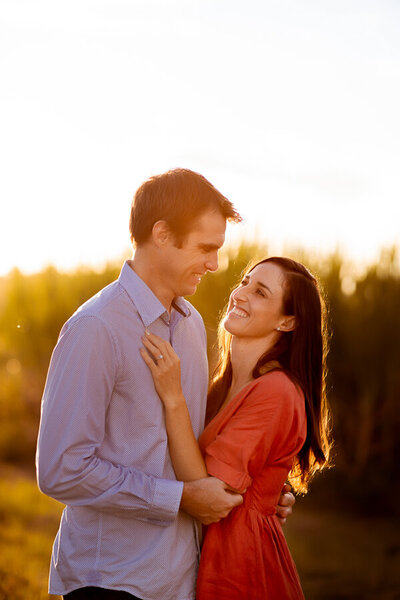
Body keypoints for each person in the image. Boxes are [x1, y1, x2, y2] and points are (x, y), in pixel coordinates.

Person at [36, 168, 295, 600]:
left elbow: (192, 442)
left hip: (183, 580)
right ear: (161, 234)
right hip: (110, 581)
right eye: (206, 248)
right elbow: (61, 469)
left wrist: (259, 494)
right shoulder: (95, 328)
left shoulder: (193, 326)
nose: (215, 264)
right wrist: (177, 499)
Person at [141, 256, 333, 599]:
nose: (240, 293)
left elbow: (207, 492)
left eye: (260, 292)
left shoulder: (277, 392)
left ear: (288, 322)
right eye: (245, 281)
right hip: (197, 558)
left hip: (240, 567)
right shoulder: (221, 384)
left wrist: (173, 398)